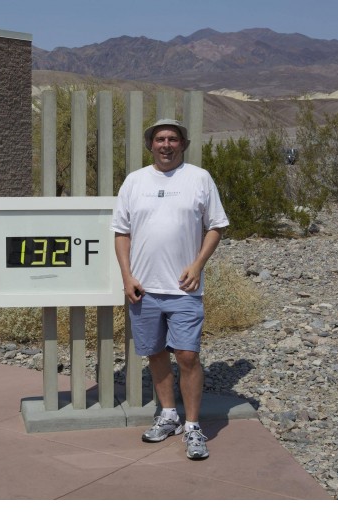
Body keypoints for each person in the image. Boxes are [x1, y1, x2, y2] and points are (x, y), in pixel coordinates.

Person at [111, 118, 229, 459]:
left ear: (182, 144)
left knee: (187, 355)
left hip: (184, 287)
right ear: (151, 145)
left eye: (173, 139)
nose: (166, 144)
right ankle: (168, 414)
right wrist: (127, 275)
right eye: (160, 139)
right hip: (144, 288)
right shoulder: (135, 181)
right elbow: (122, 232)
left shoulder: (199, 179)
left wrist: (198, 264)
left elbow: (216, 226)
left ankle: (193, 426)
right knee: (156, 354)